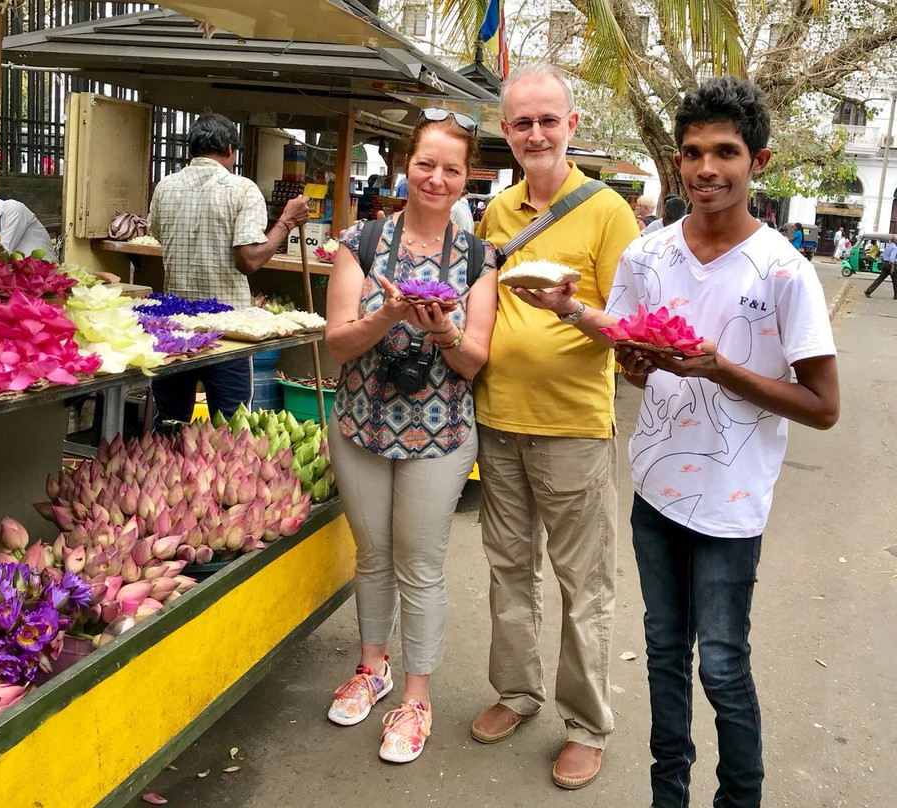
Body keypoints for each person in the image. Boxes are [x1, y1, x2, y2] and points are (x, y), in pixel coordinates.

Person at [513, 74, 840, 808]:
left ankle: (738, 798)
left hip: (731, 505)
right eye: (693, 152)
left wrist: (722, 369)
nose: (706, 169)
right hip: (655, 491)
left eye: (725, 151)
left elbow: (823, 407)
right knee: (664, 653)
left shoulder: (786, 271)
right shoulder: (648, 257)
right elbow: (635, 357)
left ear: (759, 160)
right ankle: (669, 795)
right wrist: (605, 341)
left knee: (722, 665)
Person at [469, 62, 640, 790]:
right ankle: (517, 692)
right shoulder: (496, 212)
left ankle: (586, 724)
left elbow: (631, 334)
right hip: (497, 421)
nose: (536, 132)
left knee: (584, 584)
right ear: (506, 133)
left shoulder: (608, 212)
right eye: (521, 122)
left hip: (573, 427)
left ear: (571, 126)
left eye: (548, 119)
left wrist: (569, 309)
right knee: (509, 571)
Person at [324, 107, 498, 764]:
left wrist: (441, 330)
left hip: (442, 431)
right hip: (360, 423)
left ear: (465, 178)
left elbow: (474, 359)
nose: (436, 177)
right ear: (406, 164)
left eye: (451, 168)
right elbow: (339, 344)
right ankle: (374, 668)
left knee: (419, 566)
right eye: (426, 162)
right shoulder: (360, 243)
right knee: (371, 556)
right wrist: (390, 313)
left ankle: (418, 697)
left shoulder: (480, 258)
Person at [146, 112, 309, 426]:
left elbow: (157, 233)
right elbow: (249, 260)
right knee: (230, 429)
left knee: (169, 422)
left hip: (174, 328)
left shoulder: (165, 188)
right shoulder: (242, 190)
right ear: (231, 150)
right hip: (226, 331)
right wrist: (286, 222)